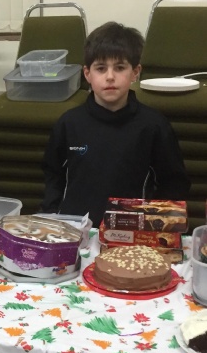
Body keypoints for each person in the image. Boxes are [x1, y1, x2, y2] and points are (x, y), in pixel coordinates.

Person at [41, 21, 190, 226]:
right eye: (101, 68)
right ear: (87, 74)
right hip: (74, 229)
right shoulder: (68, 124)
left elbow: (174, 185)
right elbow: (53, 176)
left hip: (132, 233)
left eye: (119, 68)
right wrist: (51, 216)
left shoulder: (154, 126)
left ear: (135, 72)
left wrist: (155, 228)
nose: (110, 77)